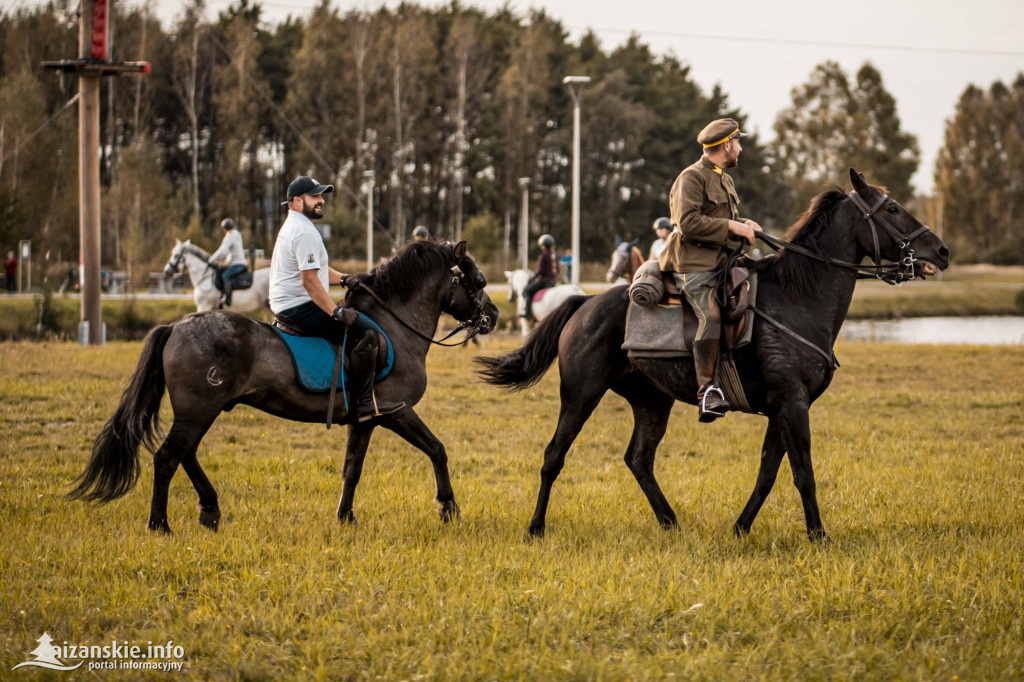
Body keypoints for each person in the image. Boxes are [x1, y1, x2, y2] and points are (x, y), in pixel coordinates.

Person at [270, 176, 405, 422]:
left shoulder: (296, 225)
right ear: (297, 201)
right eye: (315, 196)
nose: (321, 201)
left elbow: (318, 270)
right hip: (300, 306)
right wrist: (336, 311)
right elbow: (310, 281)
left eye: (322, 196)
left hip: (289, 303)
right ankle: (363, 404)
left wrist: (344, 278)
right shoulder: (303, 231)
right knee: (366, 334)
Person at [658, 117, 763, 423]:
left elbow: (719, 219)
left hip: (722, 259)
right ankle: (707, 391)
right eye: (738, 142)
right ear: (727, 144)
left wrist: (742, 224)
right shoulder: (690, 178)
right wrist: (731, 225)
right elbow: (687, 223)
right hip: (694, 264)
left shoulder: (724, 179)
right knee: (711, 313)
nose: (740, 148)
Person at [208, 218, 249, 307]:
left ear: (224, 229)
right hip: (239, 262)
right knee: (222, 271)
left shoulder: (230, 236)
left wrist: (212, 259)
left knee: (225, 275)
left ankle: (227, 299)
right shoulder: (237, 234)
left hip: (238, 264)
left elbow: (222, 251)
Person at [522, 234, 558, 320]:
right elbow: (557, 271)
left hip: (544, 281)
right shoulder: (554, 256)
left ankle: (527, 313)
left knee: (526, 291)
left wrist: (533, 278)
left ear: (543, 246)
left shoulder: (543, 256)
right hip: (553, 281)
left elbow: (540, 270)